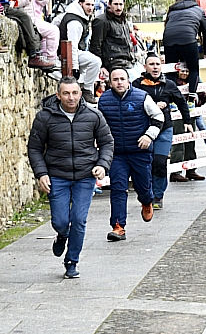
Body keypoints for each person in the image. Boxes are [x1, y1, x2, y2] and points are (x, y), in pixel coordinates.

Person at [26, 77, 114, 279]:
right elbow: (35, 148)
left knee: (79, 219)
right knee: (60, 221)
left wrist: (102, 165)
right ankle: (62, 234)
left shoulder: (93, 115)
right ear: (58, 95)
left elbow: (107, 143)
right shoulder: (45, 117)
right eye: (66, 93)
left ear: (80, 94)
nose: (71, 97)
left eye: (74, 93)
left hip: (85, 175)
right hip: (57, 175)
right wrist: (41, 174)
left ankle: (72, 261)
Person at [97, 67, 164, 242]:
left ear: (128, 81)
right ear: (110, 82)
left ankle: (147, 201)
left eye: (122, 79)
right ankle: (118, 227)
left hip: (139, 152)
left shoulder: (141, 97)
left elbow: (159, 117)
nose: (119, 82)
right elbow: (98, 125)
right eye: (115, 79)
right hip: (117, 154)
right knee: (118, 188)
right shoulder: (104, 100)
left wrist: (149, 136)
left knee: (143, 188)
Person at [135, 53, 193, 205]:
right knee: (146, 163)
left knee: (160, 162)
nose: (155, 67)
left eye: (157, 64)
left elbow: (182, 102)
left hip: (164, 129)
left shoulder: (169, 84)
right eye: (151, 64)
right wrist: (152, 106)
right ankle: (147, 194)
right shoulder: (137, 85)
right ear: (145, 67)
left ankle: (158, 196)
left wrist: (187, 121)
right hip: (144, 130)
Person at [162, 0, 206, 94]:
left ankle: (171, 98)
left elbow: (166, 26)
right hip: (188, 39)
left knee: (171, 71)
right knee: (193, 70)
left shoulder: (172, 10)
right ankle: (192, 97)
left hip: (169, 41)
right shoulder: (198, 10)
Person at [59, 0, 102, 103]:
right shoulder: (75, 22)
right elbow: (72, 45)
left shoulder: (78, 16)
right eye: (87, 4)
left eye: (92, 5)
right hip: (65, 54)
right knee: (95, 62)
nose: (90, 7)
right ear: (80, 4)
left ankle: (85, 90)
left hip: (75, 51)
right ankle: (86, 90)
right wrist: (75, 67)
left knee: (92, 65)